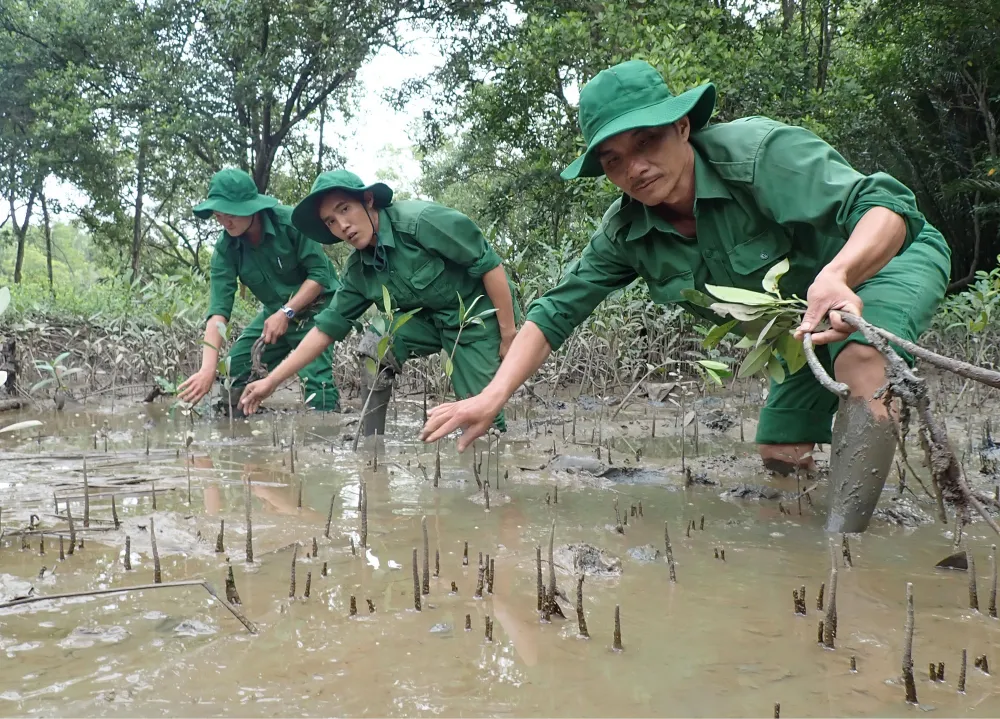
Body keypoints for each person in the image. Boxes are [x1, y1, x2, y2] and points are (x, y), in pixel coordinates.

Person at [420, 59, 951, 532]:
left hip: (887, 260)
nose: (634, 168)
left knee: (861, 359)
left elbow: (884, 206)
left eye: (646, 141)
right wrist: (491, 397)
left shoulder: (760, 154)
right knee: (780, 451)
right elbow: (557, 311)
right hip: (801, 321)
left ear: (681, 126)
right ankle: (799, 539)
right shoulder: (624, 232)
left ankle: (844, 553)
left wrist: (839, 274)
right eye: (612, 160)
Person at [237, 169, 520, 435]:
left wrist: (508, 335)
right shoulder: (358, 271)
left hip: (476, 318)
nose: (343, 225)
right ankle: (372, 444)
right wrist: (271, 382)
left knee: (481, 424)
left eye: (344, 209)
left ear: (368, 199)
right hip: (428, 323)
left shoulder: (421, 222)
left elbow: (489, 266)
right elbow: (325, 330)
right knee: (376, 342)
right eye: (331, 221)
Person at [177, 168, 342, 415]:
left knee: (316, 378)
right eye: (218, 215)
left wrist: (286, 313)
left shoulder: (291, 222)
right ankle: (236, 422)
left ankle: (323, 433)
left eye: (230, 214)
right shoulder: (226, 248)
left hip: (317, 309)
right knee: (234, 370)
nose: (225, 222)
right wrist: (207, 368)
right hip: (273, 313)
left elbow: (319, 277)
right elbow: (218, 312)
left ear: (250, 207)